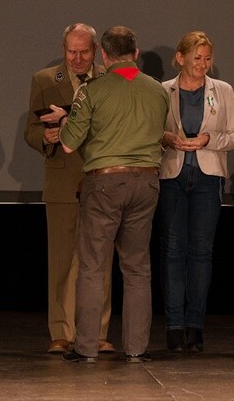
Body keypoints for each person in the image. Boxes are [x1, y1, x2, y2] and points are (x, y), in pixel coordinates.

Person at [48, 26, 169, 364]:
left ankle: (85, 347)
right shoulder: (157, 90)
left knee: (91, 267)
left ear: (103, 54)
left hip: (105, 184)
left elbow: (70, 143)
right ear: (136, 51)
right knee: (137, 268)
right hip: (146, 183)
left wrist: (70, 115)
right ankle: (136, 348)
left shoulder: (93, 89)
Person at [23, 23, 114, 356]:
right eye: (71, 52)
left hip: (100, 180)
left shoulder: (109, 79)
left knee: (99, 261)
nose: (77, 59)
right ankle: (61, 332)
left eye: (84, 52)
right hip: (61, 181)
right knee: (61, 261)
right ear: (63, 48)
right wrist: (44, 138)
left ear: (95, 50)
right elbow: (30, 130)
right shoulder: (45, 80)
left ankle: (97, 332)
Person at [158, 31, 234, 353]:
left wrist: (210, 140)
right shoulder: (162, 91)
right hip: (173, 176)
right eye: (197, 58)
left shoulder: (222, 91)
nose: (203, 64)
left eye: (208, 58)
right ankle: (173, 325)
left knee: (201, 252)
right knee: (172, 251)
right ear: (180, 58)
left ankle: (195, 327)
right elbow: (150, 131)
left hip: (208, 178)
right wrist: (167, 138)